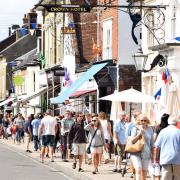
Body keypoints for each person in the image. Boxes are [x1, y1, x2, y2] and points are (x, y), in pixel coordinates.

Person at [153, 115, 180, 180]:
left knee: (166, 178)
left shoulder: (163, 132)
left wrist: (156, 158)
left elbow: (157, 147)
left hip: (165, 159)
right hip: (177, 159)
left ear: (168, 122)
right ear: (176, 123)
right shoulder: (179, 132)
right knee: (177, 177)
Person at [130, 114, 154, 180]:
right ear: (139, 121)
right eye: (141, 120)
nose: (143, 122)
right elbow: (132, 141)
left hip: (146, 153)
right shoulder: (135, 128)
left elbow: (152, 143)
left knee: (144, 171)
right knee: (138, 170)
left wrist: (153, 155)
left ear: (147, 121)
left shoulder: (150, 129)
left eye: (145, 120)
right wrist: (139, 134)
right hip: (136, 153)